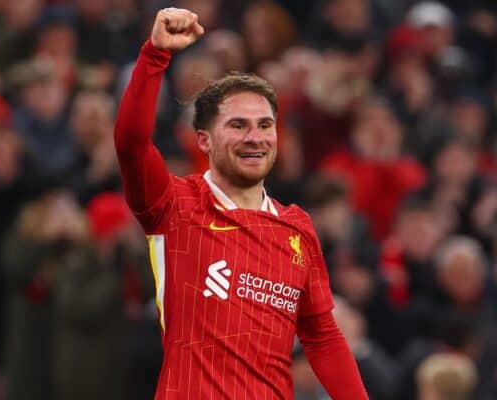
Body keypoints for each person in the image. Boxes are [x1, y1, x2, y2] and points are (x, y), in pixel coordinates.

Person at [114, 7, 368, 400]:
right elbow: (131, 144)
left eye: (265, 125)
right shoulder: (175, 206)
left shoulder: (297, 228)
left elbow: (322, 338)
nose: (256, 137)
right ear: (204, 140)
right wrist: (155, 54)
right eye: (238, 125)